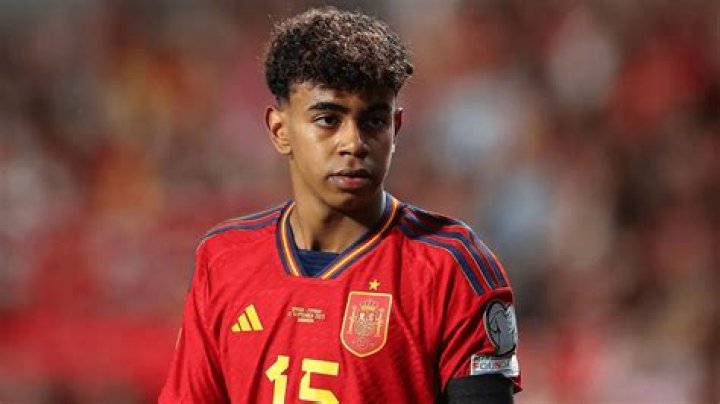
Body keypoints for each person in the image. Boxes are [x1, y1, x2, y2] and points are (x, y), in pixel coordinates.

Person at [160, 6, 521, 403]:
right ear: (280, 130)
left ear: (396, 128)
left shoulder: (453, 268)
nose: (353, 143)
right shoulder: (223, 259)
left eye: (373, 121)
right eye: (328, 120)